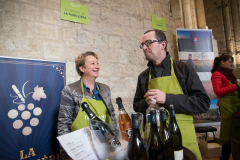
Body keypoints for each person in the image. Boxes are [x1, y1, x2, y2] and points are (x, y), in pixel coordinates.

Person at [133, 29, 210, 160]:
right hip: (154, 141)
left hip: (182, 137)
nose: (144, 47)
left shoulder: (184, 69)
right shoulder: (143, 77)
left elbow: (203, 103)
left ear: (163, 44)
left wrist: (167, 98)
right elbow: (136, 106)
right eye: (143, 45)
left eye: (148, 43)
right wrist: (146, 103)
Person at [57, 51, 117, 160]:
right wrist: (67, 154)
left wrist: (116, 145)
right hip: (82, 150)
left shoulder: (105, 89)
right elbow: (63, 124)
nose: (97, 66)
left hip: (104, 147)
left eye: (97, 63)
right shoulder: (70, 90)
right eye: (92, 63)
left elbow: (112, 117)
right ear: (82, 68)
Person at [211, 55, 240, 160]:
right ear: (222, 62)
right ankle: (224, 158)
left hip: (235, 104)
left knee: (236, 133)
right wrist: (236, 86)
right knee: (228, 134)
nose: (232, 64)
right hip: (227, 106)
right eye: (230, 61)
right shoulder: (217, 74)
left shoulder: (229, 74)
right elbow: (218, 92)